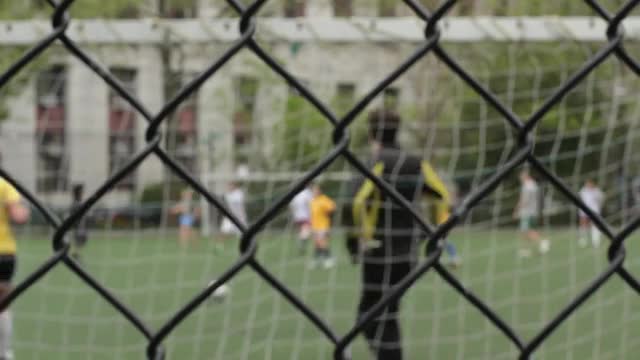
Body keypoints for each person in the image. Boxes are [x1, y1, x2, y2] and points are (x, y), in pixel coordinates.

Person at [343, 109, 452, 360]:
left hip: (378, 250)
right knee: (388, 311)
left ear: (372, 134)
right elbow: (441, 196)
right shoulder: (416, 163)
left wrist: (356, 241)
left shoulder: (375, 164)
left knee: (369, 313)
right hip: (409, 251)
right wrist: (437, 230)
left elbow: (356, 203)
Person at [0, 174, 30, 360]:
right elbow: (19, 216)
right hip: (4, 253)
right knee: (2, 306)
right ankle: (4, 352)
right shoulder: (4, 185)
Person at [514, 170, 550, 257]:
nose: (521, 180)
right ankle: (526, 250)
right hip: (534, 211)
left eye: (521, 178)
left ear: (525, 177)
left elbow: (524, 200)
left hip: (527, 212)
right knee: (527, 231)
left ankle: (542, 242)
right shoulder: (534, 185)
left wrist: (516, 210)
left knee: (526, 231)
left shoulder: (527, 186)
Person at [309, 183, 336, 269]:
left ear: (320, 191)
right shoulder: (312, 201)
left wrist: (329, 220)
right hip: (314, 226)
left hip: (323, 226)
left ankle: (328, 259)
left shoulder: (324, 200)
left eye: (316, 190)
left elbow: (333, 209)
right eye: (313, 190)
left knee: (323, 243)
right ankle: (317, 260)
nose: (314, 192)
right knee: (317, 244)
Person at [219, 182, 247, 250]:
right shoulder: (228, 195)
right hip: (230, 216)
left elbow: (237, 201)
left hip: (240, 218)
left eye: (231, 186)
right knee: (223, 232)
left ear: (234, 186)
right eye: (229, 186)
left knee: (244, 234)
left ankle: (244, 246)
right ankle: (220, 246)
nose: (229, 188)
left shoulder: (239, 194)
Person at [578, 179, 605, 248]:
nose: (588, 185)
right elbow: (580, 199)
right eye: (587, 183)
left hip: (594, 211)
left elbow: (601, 199)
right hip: (584, 211)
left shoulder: (597, 191)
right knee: (583, 225)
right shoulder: (583, 191)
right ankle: (583, 240)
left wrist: (599, 206)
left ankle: (596, 241)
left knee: (595, 225)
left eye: (590, 183)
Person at [289, 186, 313, 255]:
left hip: (297, 216)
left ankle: (301, 242)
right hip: (306, 216)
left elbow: (291, 205)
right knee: (306, 232)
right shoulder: (307, 193)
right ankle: (302, 243)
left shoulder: (295, 193)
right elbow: (311, 203)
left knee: (302, 231)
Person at [69, 183, 88, 260]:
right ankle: (75, 253)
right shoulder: (76, 203)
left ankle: (75, 252)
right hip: (78, 225)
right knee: (80, 238)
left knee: (82, 238)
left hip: (80, 224)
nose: (82, 193)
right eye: (81, 191)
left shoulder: (79, 202)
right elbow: (73, 213)